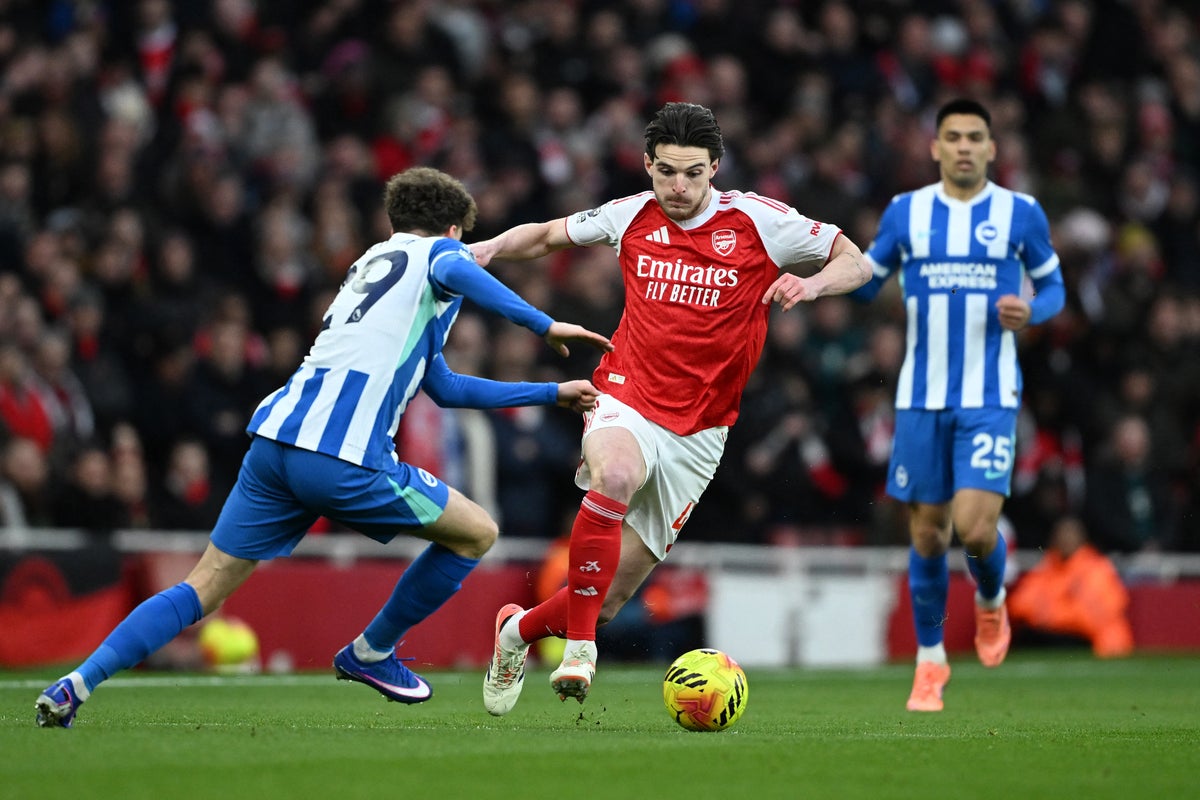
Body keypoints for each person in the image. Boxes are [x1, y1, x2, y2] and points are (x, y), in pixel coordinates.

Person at [34, 166, 613, 728]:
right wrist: (544, 325)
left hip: (276, 443)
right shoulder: (439, 255)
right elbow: (455, 266)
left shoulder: (371, 265)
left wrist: (549, 392)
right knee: (476, 532)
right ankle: (371, 651)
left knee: (202, 587)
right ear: (455, 228)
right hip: (343, 456)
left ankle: (76, 684)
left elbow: (444, 386)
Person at [471, 101, 869, 714]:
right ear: (648, 165)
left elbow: (855, 261)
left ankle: (515, 632)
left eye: (692, 173)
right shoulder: (631, 213)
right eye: (666, 172)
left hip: (701, 431)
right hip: (625, 395)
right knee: (615, 475)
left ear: (715, 169)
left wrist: (811, 283)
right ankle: (579, 649)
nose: (678, 187)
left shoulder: (761, 221)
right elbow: (548, 235)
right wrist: (488, 249)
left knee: (605, 600)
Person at [850, 98, 1065, 712]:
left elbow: (1054, 286)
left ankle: (991, 599)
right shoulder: (906, 212)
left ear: (991, 148)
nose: (964, 146)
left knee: (973, 528)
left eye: (975, 137)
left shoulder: (1020, 213)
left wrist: (1033, 310)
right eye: (954, 136)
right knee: (926, 535)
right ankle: (930, 662)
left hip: (989, 396)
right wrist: (815, 270)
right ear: (935, 147)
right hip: (920, 398)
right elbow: (867, 280)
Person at [1008, 516, 1134, 658]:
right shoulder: (1047, 566)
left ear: (1082, 539)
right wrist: (1058, 612)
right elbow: (1019, 604)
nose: (1065, 540)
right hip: (1053, 636)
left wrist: (1050, 614)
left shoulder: (1097, 569)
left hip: (1092, 642)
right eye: (1061, 535)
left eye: (1070, 535)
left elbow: (1093, 617)